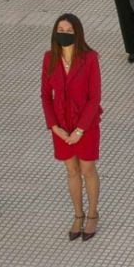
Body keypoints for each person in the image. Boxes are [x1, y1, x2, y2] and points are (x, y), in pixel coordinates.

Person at [40, 14, 102, 241]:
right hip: (61, 126)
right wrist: (54, 126)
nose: (63, 34)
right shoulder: (49, 58)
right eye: (60, 29)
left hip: (85, 125)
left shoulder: (90, 58)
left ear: (77, 33)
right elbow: (45, 95)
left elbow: (94, 98)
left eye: (68, 30)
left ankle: (93, 214)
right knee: (71, 171)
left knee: (87, 170)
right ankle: (78, 214)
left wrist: (80, 130)